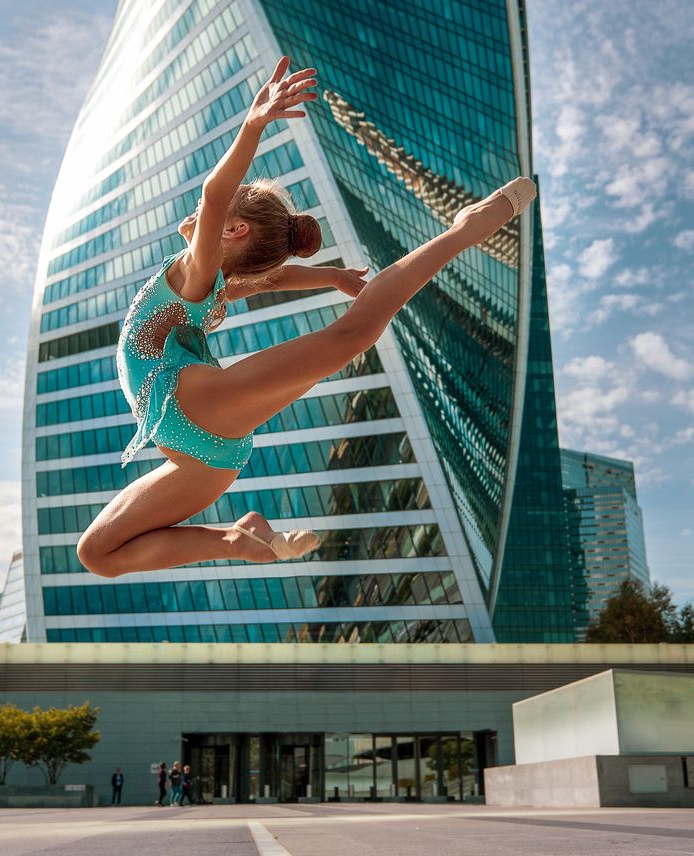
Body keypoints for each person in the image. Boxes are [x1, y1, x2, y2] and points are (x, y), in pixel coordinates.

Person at [76, 56, 535, 577]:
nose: (202, 215)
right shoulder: (211, 284)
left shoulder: (196, 271)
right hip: (199, 456)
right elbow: (271, 279)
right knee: (98, 554)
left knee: (353, 334)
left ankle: (467, 228)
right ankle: (241, 541)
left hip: (195, 411)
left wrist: (253, 125)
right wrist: (332, 276)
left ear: (233, 231)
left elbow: (214, 194)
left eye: (218, 217)